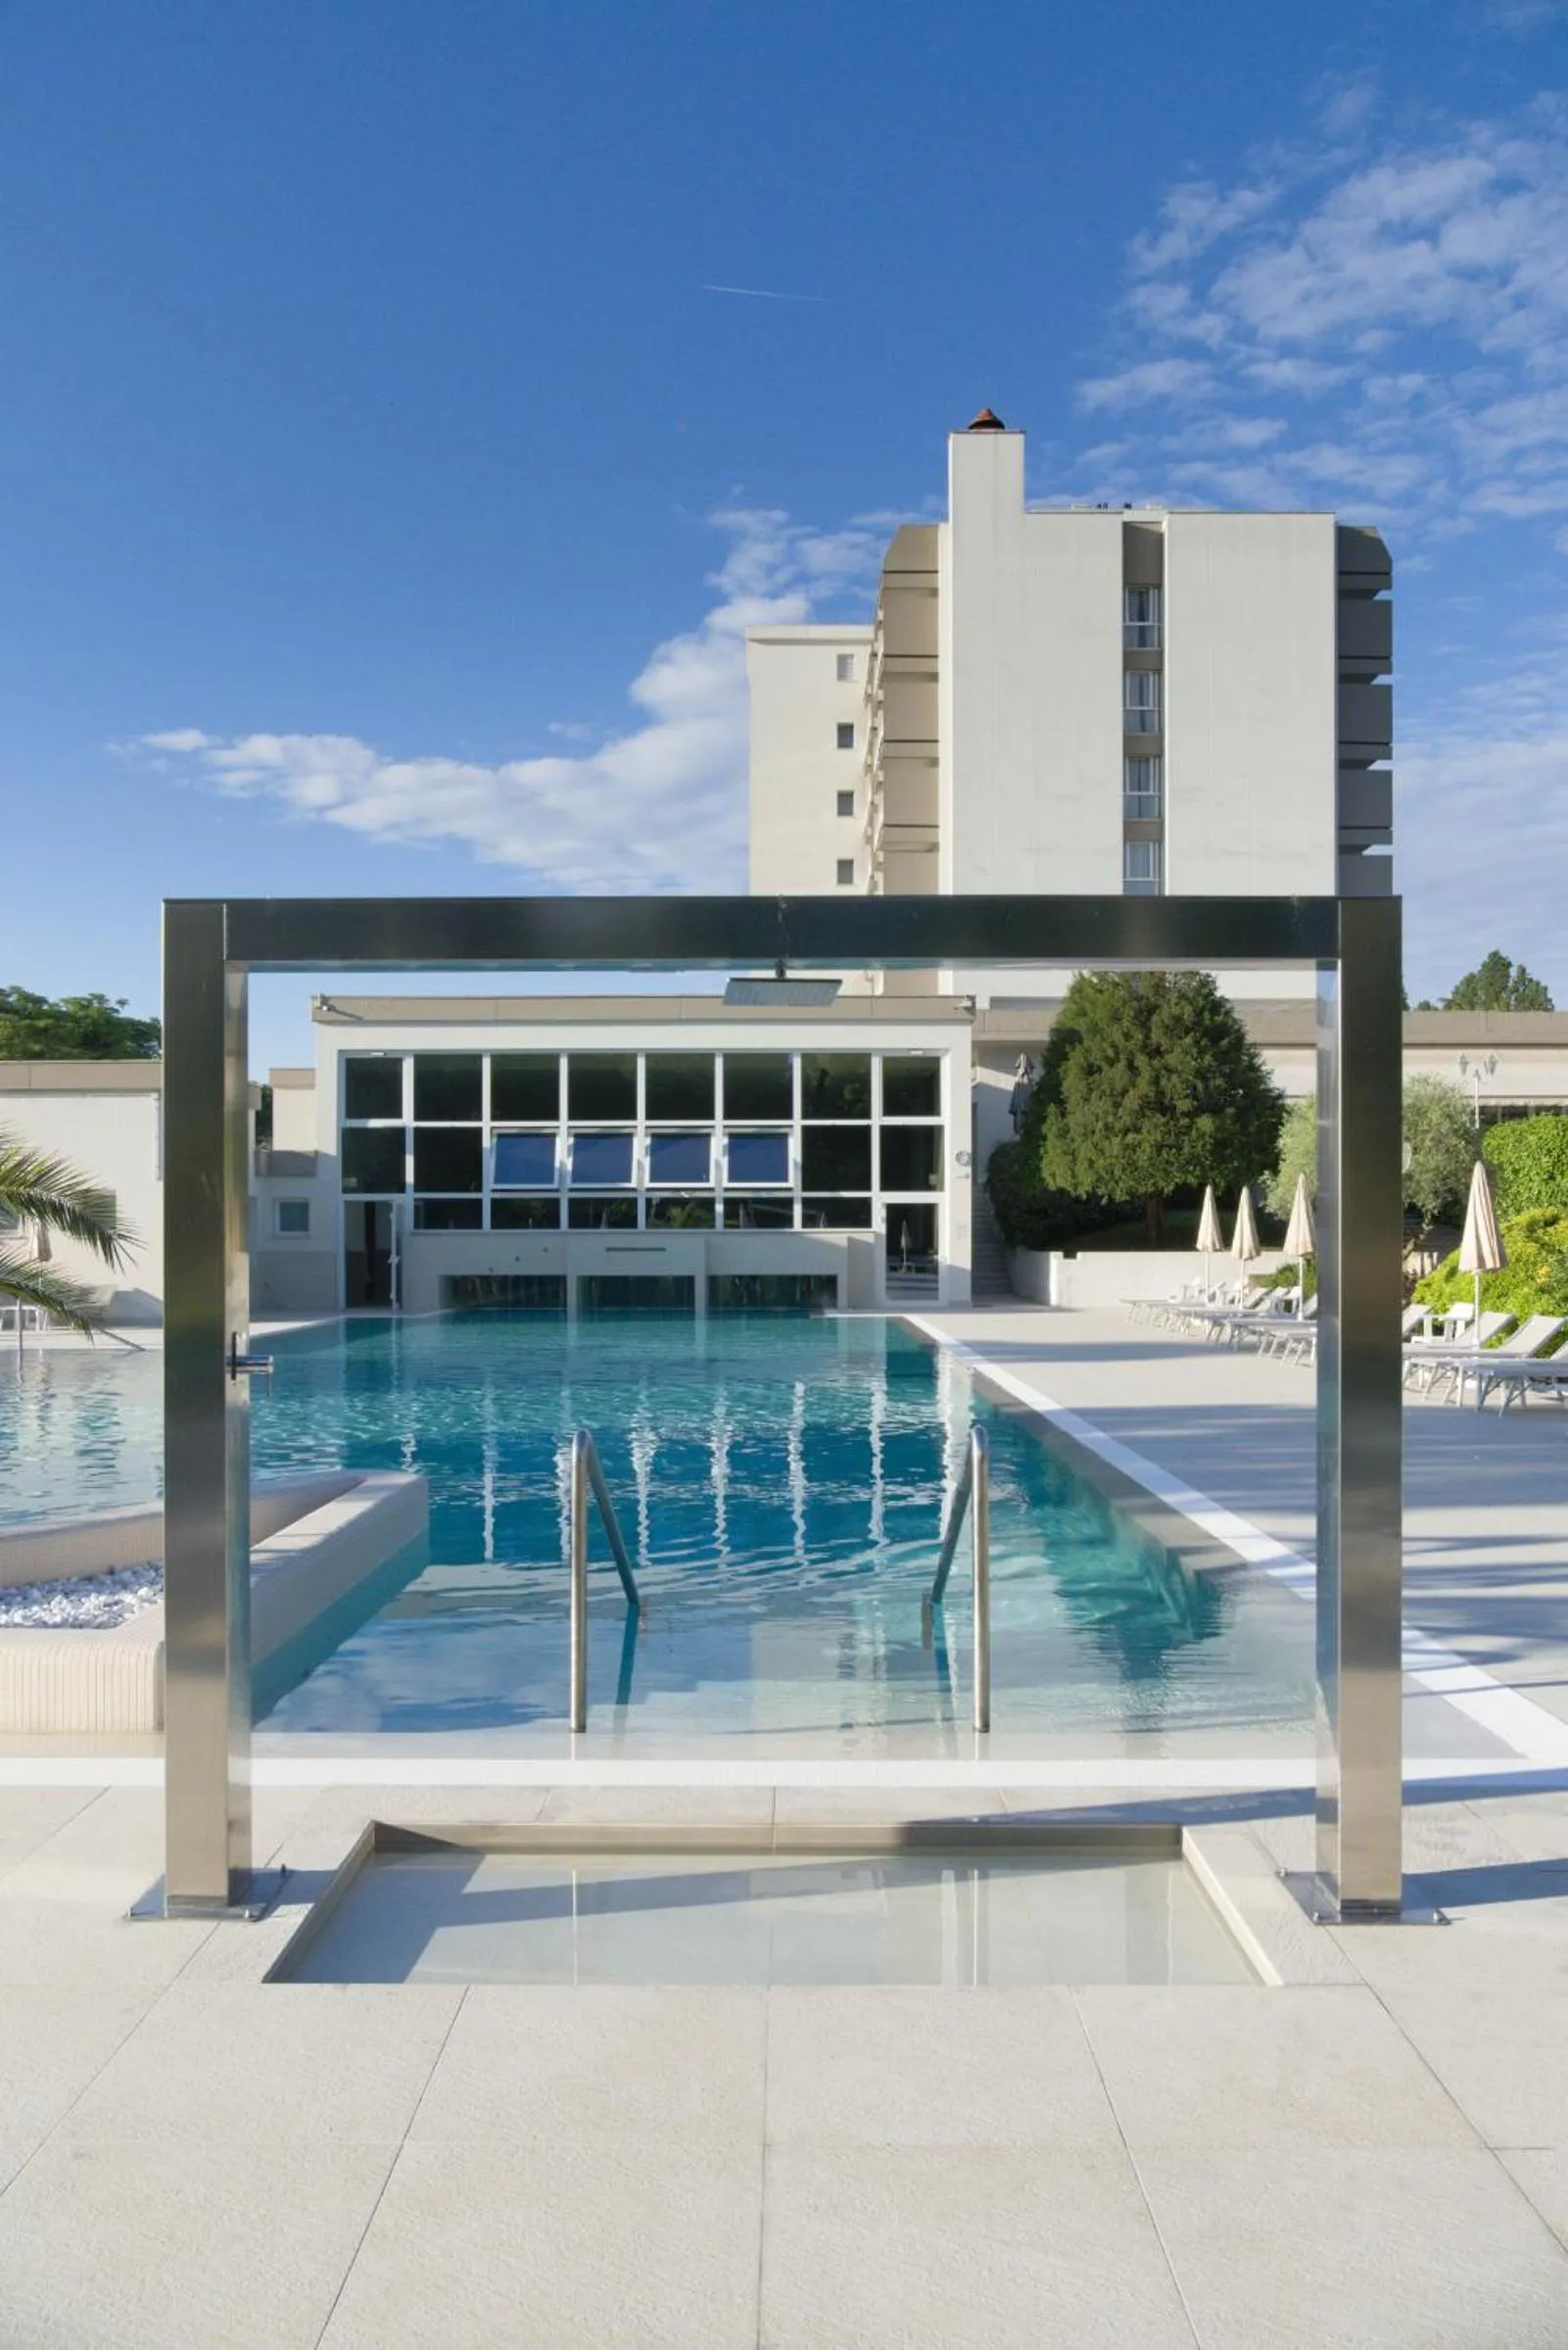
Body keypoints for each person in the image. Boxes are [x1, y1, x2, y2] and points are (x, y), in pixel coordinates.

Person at [1007, 1054, 1035, 1138]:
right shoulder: (1020, 1083)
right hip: (1022, 1112)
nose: (1031, 1070)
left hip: (1024, 1113)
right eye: (1030, 1068)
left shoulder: (1028, 1083)